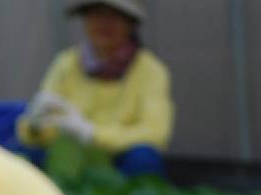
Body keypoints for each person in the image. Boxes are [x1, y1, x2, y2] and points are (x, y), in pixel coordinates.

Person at [17, 0, 173, 178]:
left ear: (131, 23)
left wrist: (92, 134)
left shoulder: (150, 70)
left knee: (144, 158)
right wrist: (35, 125)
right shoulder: (66, 63)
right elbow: (38, 130)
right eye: (95, 14)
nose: (103, 24)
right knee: (24, 154)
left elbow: (156, 133)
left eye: (114, 16)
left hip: (120, 160)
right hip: (71, 157)